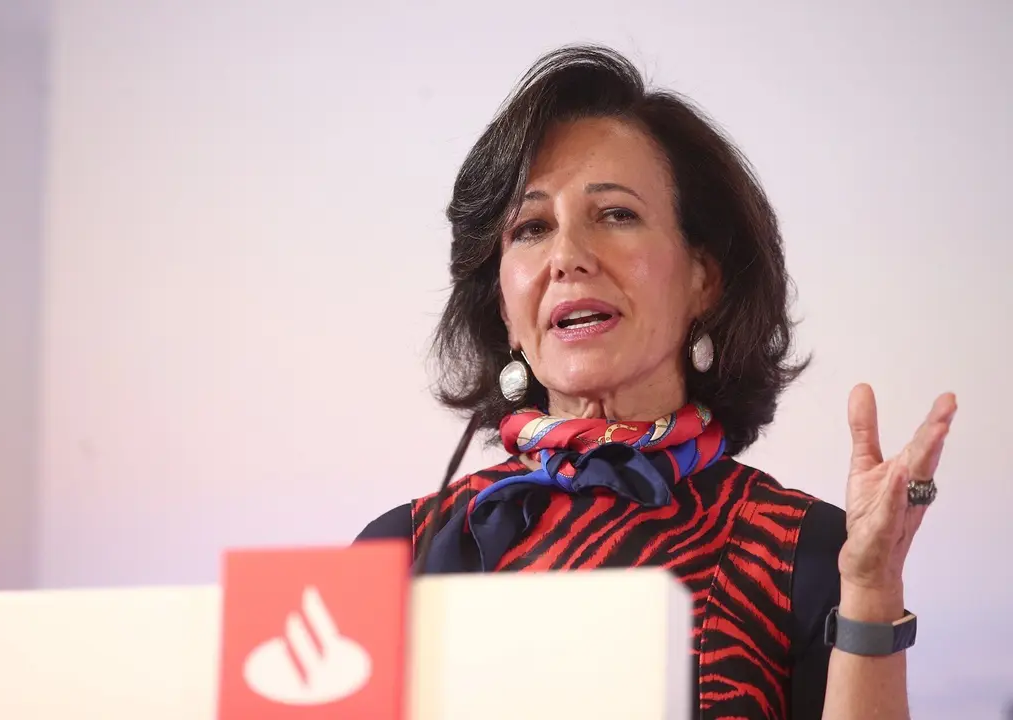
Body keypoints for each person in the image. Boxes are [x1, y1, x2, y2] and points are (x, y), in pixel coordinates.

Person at [356, 45, 955, 719]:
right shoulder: (400, 551)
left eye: (615, 215)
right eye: (530, 227)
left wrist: (870, 594)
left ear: (703, 276)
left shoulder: (804, 552)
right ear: (501, 304)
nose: (567, 258)